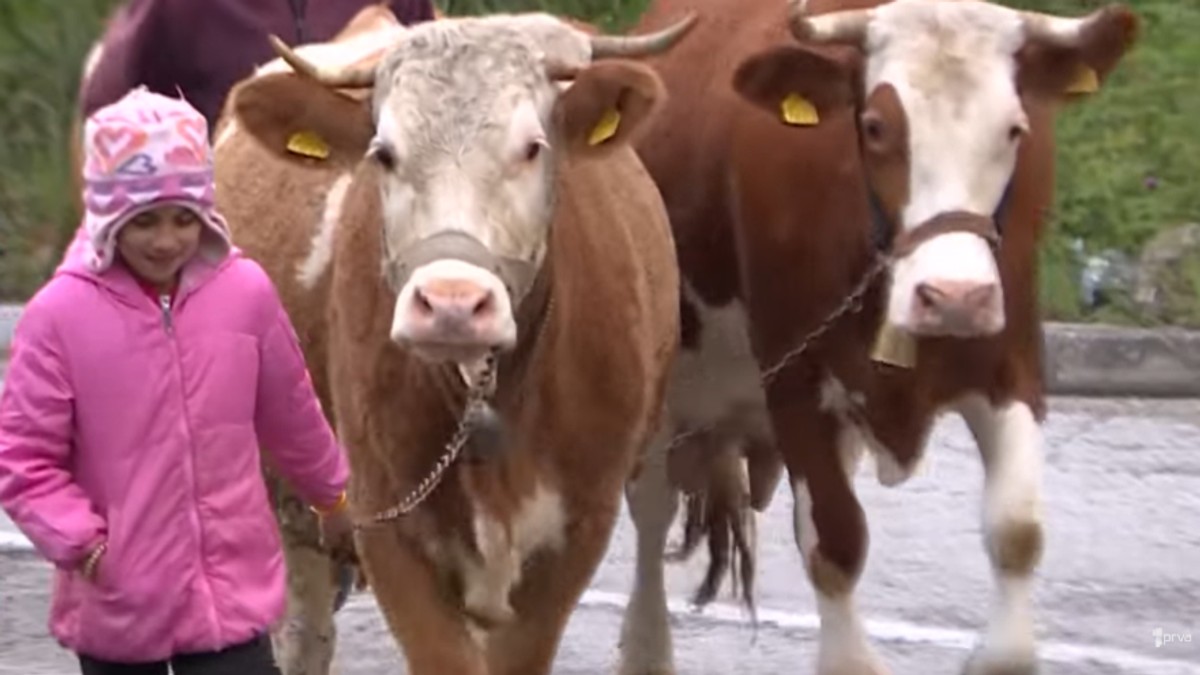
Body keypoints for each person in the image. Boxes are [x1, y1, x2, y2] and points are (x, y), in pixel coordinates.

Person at [0, 87, 354, 674]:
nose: (166, 240)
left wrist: (333, 495)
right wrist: (86, 548)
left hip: (232, 596)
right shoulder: (58, 316)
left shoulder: (244, 295)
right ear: (110, 217)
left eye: (183, 219)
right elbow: (23, 460)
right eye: (144, 222)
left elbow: (292, 411)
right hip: (118, 605)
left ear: (206, 212)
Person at [79, 0, 438, 131]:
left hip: (361, 215)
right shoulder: (180, 7)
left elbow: (431, 95)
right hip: (219, 232)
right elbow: (105, 108)